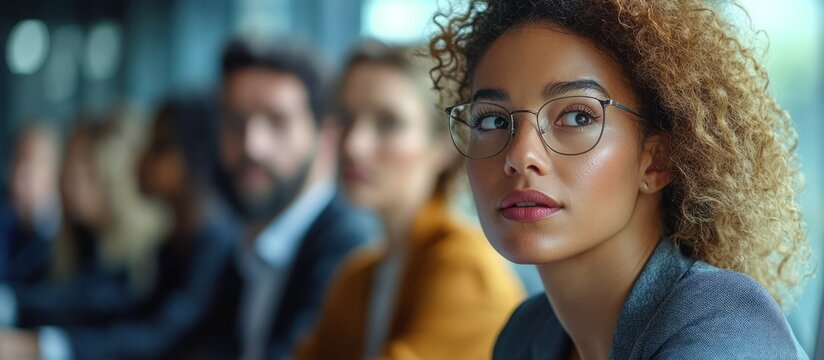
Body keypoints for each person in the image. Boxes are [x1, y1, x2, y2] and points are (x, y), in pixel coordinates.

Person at [429, 0, 810, 359]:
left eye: (578, 116)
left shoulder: (728, 324)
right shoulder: (525, 334)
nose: (519, 155)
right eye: (493, 120)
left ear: (656, 161)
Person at [294, 41, 524, 360]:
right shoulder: (355, 278)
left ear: (444, 143)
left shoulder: (466, 268)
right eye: (346, 119)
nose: (354, 145)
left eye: (388, 123)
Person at [212, 38, 374, 360]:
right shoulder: (245, 240)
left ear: (327, 137)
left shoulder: (349, 247)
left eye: (277, 122)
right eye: (235, 122)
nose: (251, 145)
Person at [0, 124, 61, 285]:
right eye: (16, 160)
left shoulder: (65, 233)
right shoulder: (7, 217)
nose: (18, 172)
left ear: (54, 171)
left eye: (30, 163)